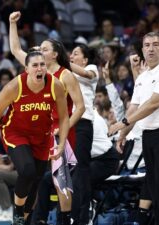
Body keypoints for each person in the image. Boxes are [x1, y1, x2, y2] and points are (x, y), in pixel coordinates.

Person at [9, 10, 85, 224]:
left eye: (44, 50)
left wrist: (64, 128)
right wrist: (12, 24)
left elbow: (80, 107)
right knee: (32, 179)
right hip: (38, 133)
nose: (38, 52)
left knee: (60, 178)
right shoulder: (36, 68)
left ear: (54, 54)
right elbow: (15, 49)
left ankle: (66, 219)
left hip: (60, 133)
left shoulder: (66, 75)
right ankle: (26, 219)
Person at [109, 32, 159, 225]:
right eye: (147, 45)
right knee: (154, 186)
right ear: (142, 49)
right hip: (150, 133)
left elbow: (156, 102)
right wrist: (123, 134)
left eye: (155, 44)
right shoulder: (143, 77)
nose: (151, 49)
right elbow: (135, 106)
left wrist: (124, 123)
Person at [0, 49, 70, 225]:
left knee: (36, 181)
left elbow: (63, 117)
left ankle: (21, 221)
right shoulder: (14, 86)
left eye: (42, 65)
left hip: (42, 137)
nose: (39, 69)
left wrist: (61, 143)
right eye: (35, 65)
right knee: (27, 170)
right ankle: (17, 212)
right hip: (16, 133)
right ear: (26, 69)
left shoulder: (55, 85)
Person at [69, 43, 100, 225]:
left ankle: (83, 216)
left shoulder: (90, 68)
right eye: (70, 54)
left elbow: (87, 75)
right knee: (68, 172)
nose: (71, 56)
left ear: (85, 59)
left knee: (81, 170)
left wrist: (64, 61)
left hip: (83, 123)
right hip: (68, 125)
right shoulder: (67, 73)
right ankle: (68, 215)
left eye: (75, 54)